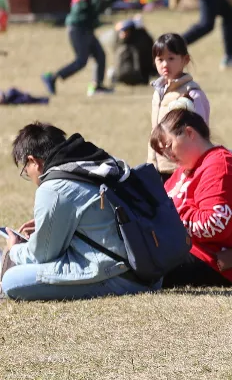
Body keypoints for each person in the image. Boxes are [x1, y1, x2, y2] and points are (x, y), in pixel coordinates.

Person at [1, 123, 159, 301]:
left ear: (33, 161)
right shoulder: (93, 162)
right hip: (148, 269)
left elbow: (43, 255)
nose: (28, 175)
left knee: (11, 280)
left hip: (118, 277)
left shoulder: (53, 188)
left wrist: (14, 248)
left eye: (25, 169)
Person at [152, 109, 232, 288]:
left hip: (220, 263)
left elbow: (215, 224)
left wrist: (171, 216)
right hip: (192, 253)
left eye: (169, 146)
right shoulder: (186, 169)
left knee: (140, 267)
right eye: (164, 153)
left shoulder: (222, 166)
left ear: (189, 133)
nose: (169, 157)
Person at [41, 0, 120, 97]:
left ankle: (97, 86)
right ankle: (52, 77)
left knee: (100, 55)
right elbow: (98, 8)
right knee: (81, 61)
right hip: (78, 29)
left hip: (85, 29)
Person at [148, 33, 210, 181]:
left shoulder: (192, 94)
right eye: (160, 59)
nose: (165, 64)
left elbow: (199, 135)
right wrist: (151, 161)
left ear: (185, 59)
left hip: (181, 168)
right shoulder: (158, 92)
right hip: (159, 166)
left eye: (171, 58)